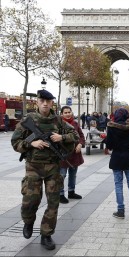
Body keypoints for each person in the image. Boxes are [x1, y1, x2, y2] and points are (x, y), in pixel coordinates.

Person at [11, 89, 78, 250]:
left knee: (53, 202)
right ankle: (28, 222)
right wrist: (31, 143)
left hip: (53, 167)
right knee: (31, 200)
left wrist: (61, 137)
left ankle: (46, 234)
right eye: (42, 101)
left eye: (48, 101)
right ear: (38, 102)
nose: (45, 104)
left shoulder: (59, 121)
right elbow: (15, 142)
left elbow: (75, 135)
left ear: (52, 102)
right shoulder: (28, 120)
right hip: (33, 166)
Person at [106, 108, 129, 219]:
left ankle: (120, 211)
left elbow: (109, 144)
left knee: (118, 184)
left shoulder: (111, 127)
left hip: (116, 158)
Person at [59, 106, 85, 204]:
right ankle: (60, 194)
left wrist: (80, 144)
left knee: (73, 174)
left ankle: (71, 192)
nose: (67, 114)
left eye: (69, 112)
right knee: (62, 175)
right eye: (65, 112)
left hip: (75, 154)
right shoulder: (58, 124)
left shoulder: (75, 124)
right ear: (62, 114)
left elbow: (81, 136)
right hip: (63, 155)